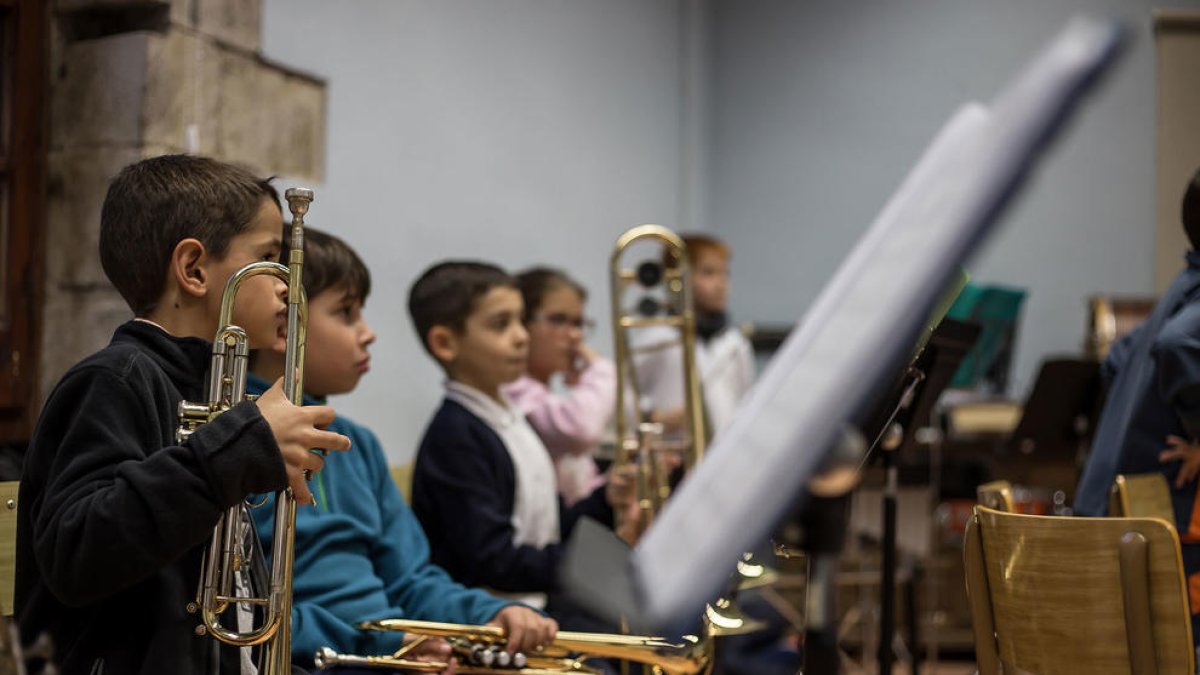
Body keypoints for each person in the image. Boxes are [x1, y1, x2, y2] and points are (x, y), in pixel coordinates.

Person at [14, 154, 350, 674]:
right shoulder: (113, 380)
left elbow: (230, 609)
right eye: (268, 257)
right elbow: (77, 553)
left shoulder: (221, 394)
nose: (287, 284)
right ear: (193, 269)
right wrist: (238, 450)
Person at [247, 230, 556, 673]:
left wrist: (486, 614)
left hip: (389, 654)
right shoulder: (237, 441)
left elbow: (411, 580)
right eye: (346, 313)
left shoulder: (360, 444)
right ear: (284, 325)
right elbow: (249, 610)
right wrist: (384, 645)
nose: (368, 333)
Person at [407, 261, 634, 616]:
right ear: (445, 343)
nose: (522, 335)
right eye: (501, 325)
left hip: (536, 604)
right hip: (492, 620)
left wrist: (606, 499)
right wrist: (597, 564)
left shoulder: (509, 420)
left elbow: (554, 526)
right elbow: (494, 562)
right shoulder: (455, 436)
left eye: (521, 319)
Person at [1075, 166, 1200, 649]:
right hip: (1151, 520)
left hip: (1109, 504)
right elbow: (1178, 344)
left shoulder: (1183, 284)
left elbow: (1118, 359)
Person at [502, 267, 616, 506]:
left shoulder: (543, 392)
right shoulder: (512, 391)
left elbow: (582, 479)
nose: (575, 336)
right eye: (559, 320)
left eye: (578, 323)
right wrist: (599, 369)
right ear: (522, 325)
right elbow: (580, 430)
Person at [634, 233, 755, 438]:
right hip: (672, 458)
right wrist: (652, 415)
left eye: (725, 274)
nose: (721, 283)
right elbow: (624, 395)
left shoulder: (735, 343)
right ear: (676, 278)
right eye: (708, 273)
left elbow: (746, 400)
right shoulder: (658, 338)